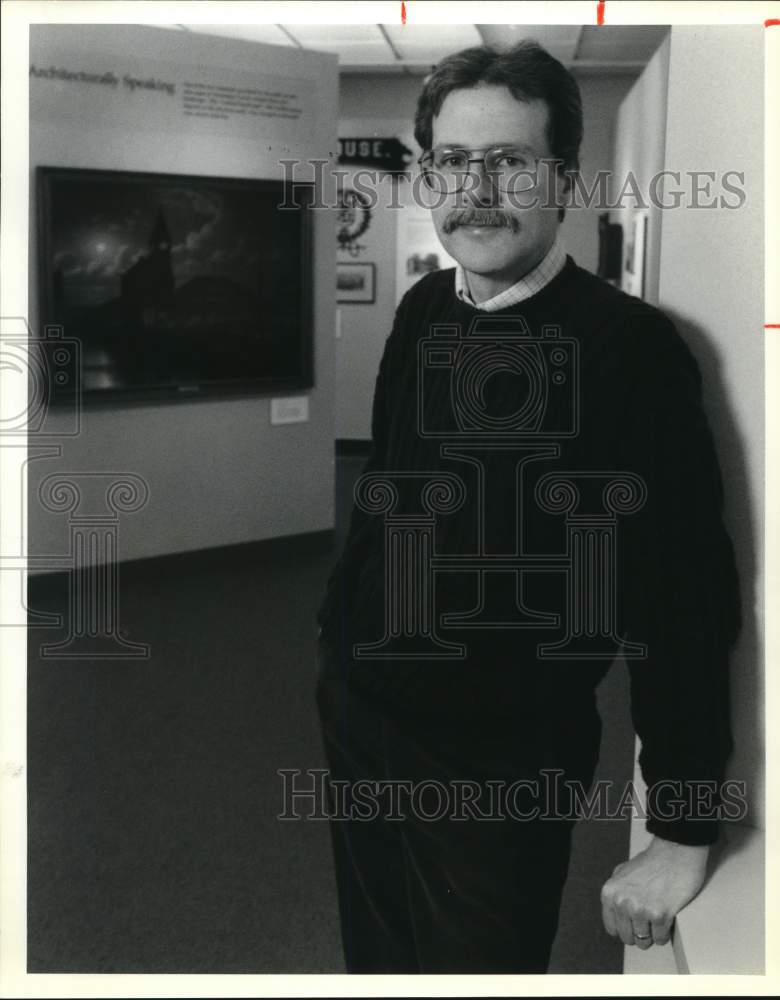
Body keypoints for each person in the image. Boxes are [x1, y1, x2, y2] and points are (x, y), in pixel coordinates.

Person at [315, 40, 742, 973]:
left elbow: (684, 599)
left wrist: (680, 824)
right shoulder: (425, 308)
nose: (479, 189)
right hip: (363, 714)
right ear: (428, 174)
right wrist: (341, 635)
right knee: (379, 962)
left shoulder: (631, 351)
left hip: (497, 760)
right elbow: (390, 484)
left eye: (510, 160)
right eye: (455, 162)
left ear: (563, 177)